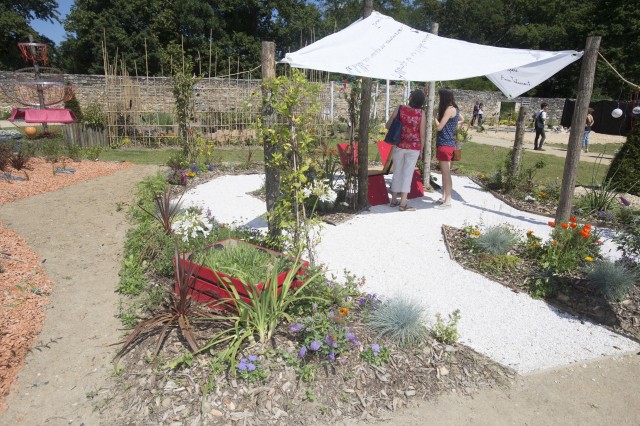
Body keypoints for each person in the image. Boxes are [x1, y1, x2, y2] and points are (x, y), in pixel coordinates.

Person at [386, 89, 426, 211]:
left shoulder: (400, 108)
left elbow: (388, 125)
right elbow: (422, 134)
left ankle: (393, 200)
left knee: (397, 171)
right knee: (408, 173)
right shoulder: (421, 113)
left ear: (411, 98)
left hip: (399, 144)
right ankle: (403, 202)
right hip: (414, 147)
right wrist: (422, 150)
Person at [434, 89, 464, 208]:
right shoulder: (455, 109)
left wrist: (434, 118)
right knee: (444, 172)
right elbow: (462, 118)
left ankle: (448, 200)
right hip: (449, 143)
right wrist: (455, 124)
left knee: (446, 174)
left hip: (444, 144)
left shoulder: (448, 110)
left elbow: (439, 127)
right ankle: (444, 197)